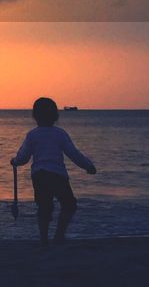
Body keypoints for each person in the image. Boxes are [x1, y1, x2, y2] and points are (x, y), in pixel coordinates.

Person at [9, 97, 96, 246]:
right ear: (55, 116)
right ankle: (59, 235)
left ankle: (44, 240)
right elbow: (73, 153)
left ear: (35, 116)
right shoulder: (60, 134)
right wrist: (88, 166)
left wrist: (15, 161)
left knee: (44, 207)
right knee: (69, 205)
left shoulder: (32, 135)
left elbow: (23, 156)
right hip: (57, 175)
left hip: (39, 175)